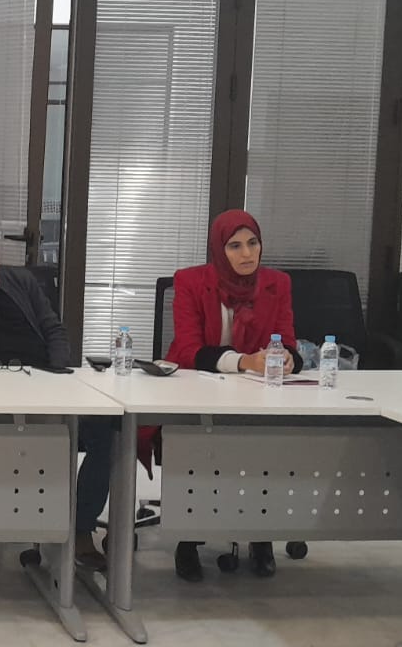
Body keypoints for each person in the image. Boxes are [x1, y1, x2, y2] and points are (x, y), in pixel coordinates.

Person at [0, 217, 115, 574]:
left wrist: (58, 377)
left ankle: (80, 526)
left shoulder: (22, 280)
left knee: (106, 429)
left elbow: (53, 329)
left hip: (41, 382)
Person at [165, 208, 300, 581]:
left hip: (256, 396)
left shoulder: (277, 284)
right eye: (235, 246)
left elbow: (288, 340)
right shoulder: (190, 282)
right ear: (219, 250)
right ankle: (188, 540)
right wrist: (245, 362)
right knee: (199, 447)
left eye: (253, 243)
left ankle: (261, 536)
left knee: (265, 446)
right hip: (198, 390)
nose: (247, 253)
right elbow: (189, 350)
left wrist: (288, 358)